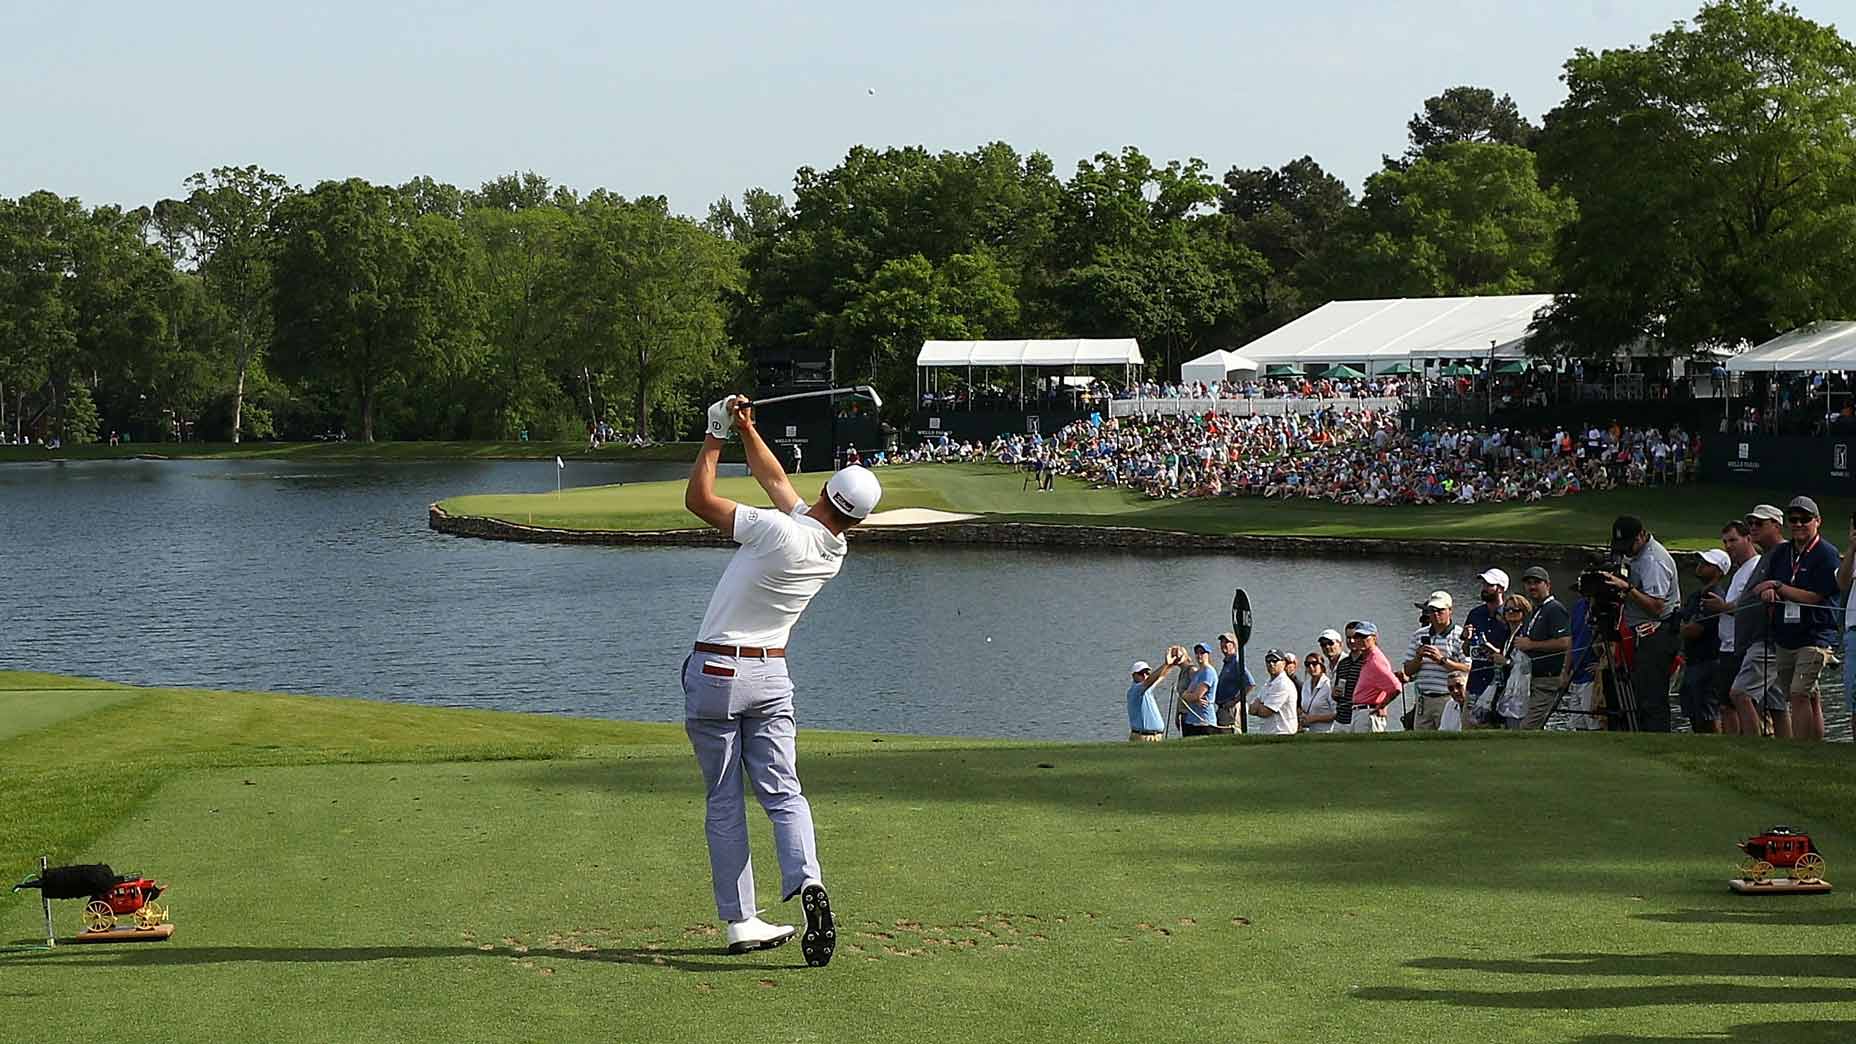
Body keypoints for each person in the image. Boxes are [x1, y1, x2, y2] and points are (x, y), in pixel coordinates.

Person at [681, 393, 882, 967]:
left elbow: (699, 500)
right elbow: (776, 481)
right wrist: (748, 428)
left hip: (719, 670)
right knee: (784, 793)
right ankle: (808, 881)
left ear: (824, 493)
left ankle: (741, 921)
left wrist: (715, 433)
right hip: (773, 676)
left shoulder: (776, 532)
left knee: (724, 799)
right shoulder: (831, 546)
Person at [1757, 496, 1841, 741]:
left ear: (1817, 521)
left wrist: (1778, 586)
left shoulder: (1827, 553)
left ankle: (1801, 750)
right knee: (1806, 693)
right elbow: (1764, 585)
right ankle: (1816, 745)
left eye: (1805, 519)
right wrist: (1769, 590)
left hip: (1815, 635)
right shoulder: (1782, 551)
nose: (1798, 524)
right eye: (1793, 519)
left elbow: (1814, 597)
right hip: (1785, 635)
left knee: (1798, 693)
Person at [1602, 515, 1681, 731]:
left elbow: (1656, 607)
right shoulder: (1634, 554)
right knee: (1637, 692)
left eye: (1629, 545)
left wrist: (1626, 588)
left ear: (1641, 535)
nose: (1625, 551)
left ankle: (1657, 741)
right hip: (1639, 632)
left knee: (1651, 697)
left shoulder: (1654, 560)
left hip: (1658, 632)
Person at [1727, 505, 1789, 737]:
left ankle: (1752, 749)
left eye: (1759, 523)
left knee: (1739, 694)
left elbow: (1784, 589)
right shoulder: (1769, 555)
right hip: (1757, 640)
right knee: (1776, 705)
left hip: (1768, 641)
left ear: (1776, 525)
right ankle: (1788, 752)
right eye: (1751, 523)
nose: (1753, 528)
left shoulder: (1784, 553)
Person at [1706, 520, 1760, 735]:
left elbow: (1752, 605)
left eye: (1733, 540)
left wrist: (1721, 607)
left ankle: (1748, 744)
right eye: (1725, 542)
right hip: (1728, 645)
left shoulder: (1756, 566)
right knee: (1726, 705)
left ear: (1748, 538)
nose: (1729, 546)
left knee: (1735, 702)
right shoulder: (1740, 571)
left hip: (1741, 645)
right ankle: (1734, 744)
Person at [1676, 549, 1729, 733]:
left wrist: (1683, 627)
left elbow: (1694, 630)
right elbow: (1682, 621)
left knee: (1708, 712)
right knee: (1693, 710)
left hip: (1709, 661)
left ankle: (1715, 748)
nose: (1701, 565)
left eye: (1707, 564)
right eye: (1701, 562)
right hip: (1693, 661)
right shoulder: (1695, 597)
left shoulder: (1715, 597)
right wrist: (1684, 626)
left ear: (1719, 571)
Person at [1513, 567, 1572, 729]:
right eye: (1528, 583)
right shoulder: (1535, 611)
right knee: (1522, 723)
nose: (1532, 587)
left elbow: (1565, 642)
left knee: (1527, 727)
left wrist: (1531, 645)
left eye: (1537, 582)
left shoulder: (1555, 609)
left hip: (1547, 680)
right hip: (1530, 679)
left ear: (1548, 585)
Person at [1402, 591, 1469, 731]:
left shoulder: (1459, 635)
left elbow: (1468, 669)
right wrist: (1418, 657)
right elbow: (1408, 670)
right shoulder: (1419, 635)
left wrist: (1441, 660)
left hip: (1448, 698)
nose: (1436, 614)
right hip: (1423, 700)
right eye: (1432, 611)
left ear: (1450, 611)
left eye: (1440, 610)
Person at [1464, 568, 1511, 712]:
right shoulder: (1475, 614)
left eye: (1489, 585)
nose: (1484, 588)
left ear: (1501, 589)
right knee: (1468, 728)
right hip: (1475, 683)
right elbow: (1466, 652)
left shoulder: (1511, 614)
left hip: (1500, 686)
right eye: (1483, 584)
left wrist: (1494, 651)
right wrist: (1466, 639)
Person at [1486, 594, 1535, 729]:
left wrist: (1505, 662)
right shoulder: (1507, 635)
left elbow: (1525, 666)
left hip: (1521, 692)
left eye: (1516, 610)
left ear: (1524, 612)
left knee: (1517, 726)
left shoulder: (1524, 635)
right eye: (1507, 610)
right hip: (1506, 688)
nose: (1511, 613)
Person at [1348, 622, 1403, 733]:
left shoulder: (1375, 661)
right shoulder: (1368, 658)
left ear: (1374, 638)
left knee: (1366, 749)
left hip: (1368, 713)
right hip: (1361, 712)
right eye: (1357, 636)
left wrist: (1382, 705)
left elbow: (1396, 687)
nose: (1360, 640)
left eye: (1364, 636)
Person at [1127, 650, 1182, 742]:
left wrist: (1172, 664)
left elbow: (1160, 676)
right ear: (1134, 675)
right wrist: (1166, 664)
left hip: (1154, 737)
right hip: (1143, 737)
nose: (1145, 675)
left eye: (1147, 673)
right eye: (1141, 673)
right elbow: (1151, 679)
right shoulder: (1135, 690)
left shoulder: (1146, 689)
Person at [1177, 642, 1226, 737]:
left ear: (1208, 654)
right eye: (1197, 653)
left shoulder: (1208, 672)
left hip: (1204, 721)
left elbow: (1196, 696)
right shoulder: (1198, 672)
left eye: (1202, 653)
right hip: (1191, 720)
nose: (1199, 655)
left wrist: (1186, 695)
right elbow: (1188, 694)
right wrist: (1186, 695)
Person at [1249, 650, 1300, 735]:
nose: (1271, 664)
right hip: (1268, 733)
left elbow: (1265, 712)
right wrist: (1260, 706)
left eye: (1275, 661)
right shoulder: (1268, 683)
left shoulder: (1283, 684)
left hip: (1283, 733)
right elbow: (1251, 709)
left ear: (1283, 663)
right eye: (1268, 661)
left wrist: (1260, 705)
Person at [1213, 632, 1255, 732]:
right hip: (1222, 708)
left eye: (1227, 642)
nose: (1223, 644)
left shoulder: (1236, 662)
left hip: (1231, 709)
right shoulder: (1227, 663)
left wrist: (1234, 701)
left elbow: (1250, 684)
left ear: (1234, 645)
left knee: (1233, 734)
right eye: (1222, 642)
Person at [1314, 628, 1351, 730]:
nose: (1327, 647)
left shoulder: (1349, 662)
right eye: (1323, 644)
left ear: (1340, 644)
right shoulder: (1326, 666)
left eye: (1330, 643)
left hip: (1349, 715)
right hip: (1337, 717)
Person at [1300, 653, 1337, 733]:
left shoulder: (1328, 685)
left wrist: (1314, 718)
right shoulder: (1306, 685)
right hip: (1310, 732)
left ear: (1321, 666)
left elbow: (1336, 714)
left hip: (1326, 732)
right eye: (1307, 664)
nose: (1311, 667)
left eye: (1314, 664)